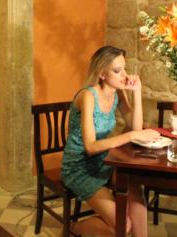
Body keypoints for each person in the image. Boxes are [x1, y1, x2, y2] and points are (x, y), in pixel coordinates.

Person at [61, 45, 160, 237]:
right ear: (101, 74)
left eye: (124, 68)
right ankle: (74, 228)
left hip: (104, 161)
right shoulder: (88, 96)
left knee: (134, 191)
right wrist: (131, 136)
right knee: (123, 226)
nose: (124, 74)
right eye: (117, 70)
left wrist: (137, 92)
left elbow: (136, 126)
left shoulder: (117, 92)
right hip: (79, 168)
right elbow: (90, 147)